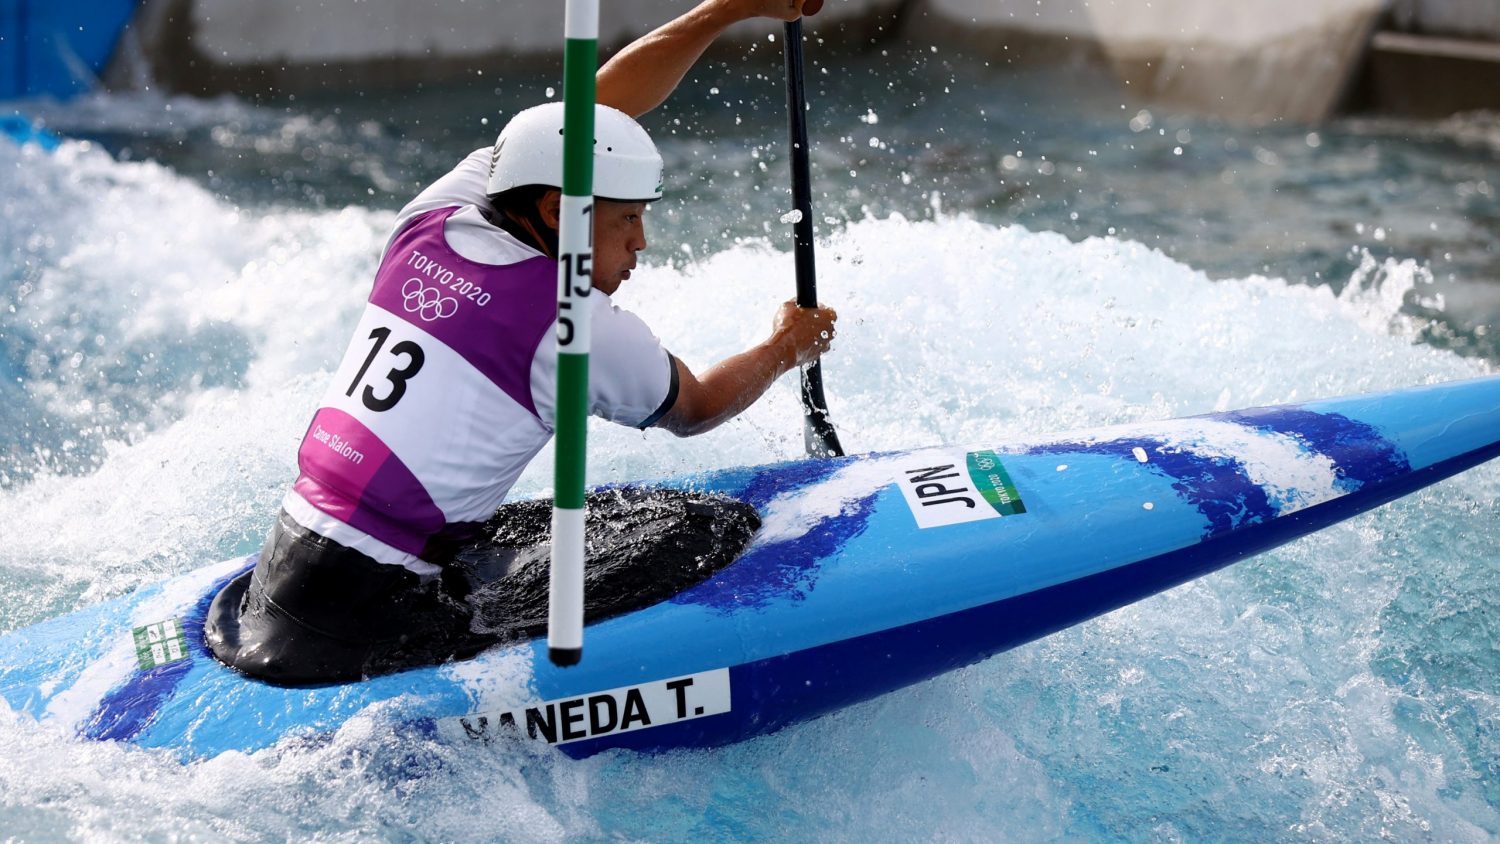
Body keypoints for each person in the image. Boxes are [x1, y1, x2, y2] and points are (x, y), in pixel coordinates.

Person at [205, 0, 837, 684]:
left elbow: (589, 114)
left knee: (563, 522)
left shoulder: (439, 213)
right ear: (558, 211)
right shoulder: (572, 324)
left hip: (283, 566)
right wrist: (786, 344)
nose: (642, 243)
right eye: (627, 220)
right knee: (703, 529)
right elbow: (698, 406)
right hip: (368, 619)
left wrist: (729, 8)